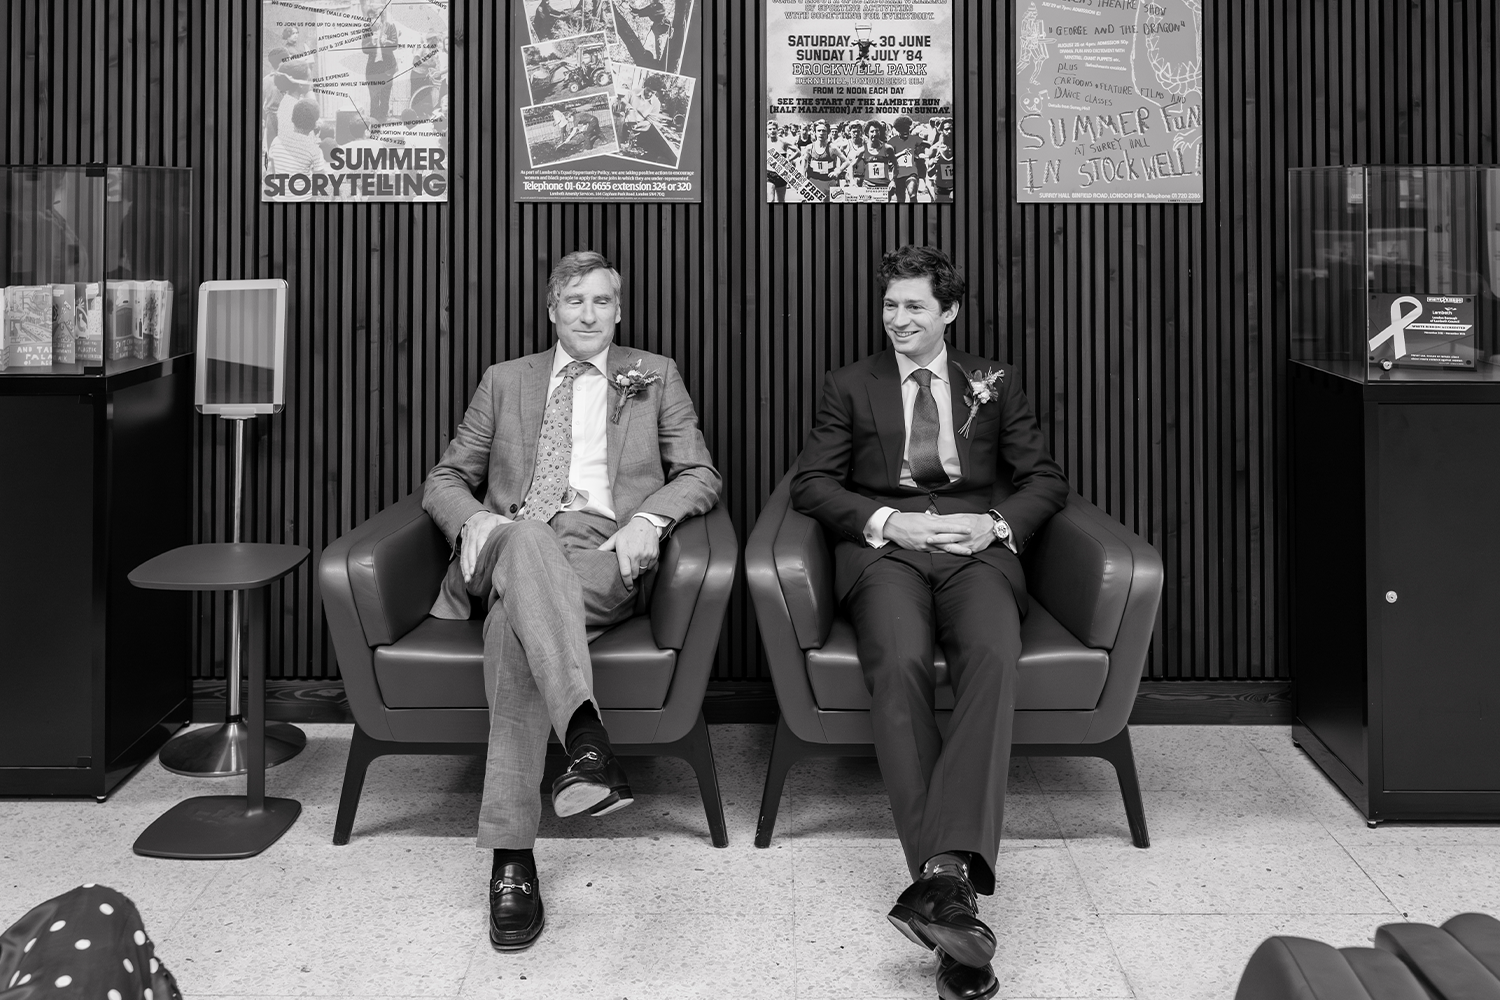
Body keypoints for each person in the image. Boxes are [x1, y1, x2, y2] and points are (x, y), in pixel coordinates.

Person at [790, 245, 1069, 1000]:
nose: (898, 319)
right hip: (887, 554)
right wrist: (889, 521)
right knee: (899, 662)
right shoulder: (850, 384)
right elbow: (812, 484)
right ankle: (952, 888)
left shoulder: (994, 381)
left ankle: (941, 887)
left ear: (949, 311)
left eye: (914, 306)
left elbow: (1044, 479)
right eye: (890, 305)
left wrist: (994, 526)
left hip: (977, 552)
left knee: (994, 655)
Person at [422, 251, 721, 952]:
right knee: (527, 539)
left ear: (619, 311)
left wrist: (650, 521)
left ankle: (512, 860)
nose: (589, 314)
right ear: (551, 309)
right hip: (507, 540)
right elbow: (445, 478)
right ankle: (585, 741)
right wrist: (473, 519)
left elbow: (699, 473)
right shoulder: (505, 380)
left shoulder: (655, 374)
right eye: (575, 300)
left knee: (512, 624)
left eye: (602, 301)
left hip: (599, 552)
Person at [361, 0, 400, 123]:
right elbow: (364, 49)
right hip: (373, 70)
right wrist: (372, 43)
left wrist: (385, 42)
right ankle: (374, 125)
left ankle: (383, 123)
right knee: (374, 98)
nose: (376, 17)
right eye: (374, 15)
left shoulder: (390, 26)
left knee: (384, 98)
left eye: (379, 14)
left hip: (387, 68)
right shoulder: (367, 28)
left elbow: (395, 44)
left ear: (383, 15)